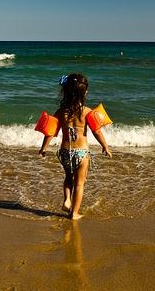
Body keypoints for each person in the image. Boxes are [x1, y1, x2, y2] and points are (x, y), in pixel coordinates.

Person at [38, 73, 112, 220]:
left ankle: (67, 200)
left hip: (65, 152)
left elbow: (51, 132)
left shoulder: (61, 112)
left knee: (68, 178)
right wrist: (105, 146)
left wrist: (44, 148)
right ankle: (75, 213)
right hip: (82, 153)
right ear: (84, 93)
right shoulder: (87, 112)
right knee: (79, 184)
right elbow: (96, 131)